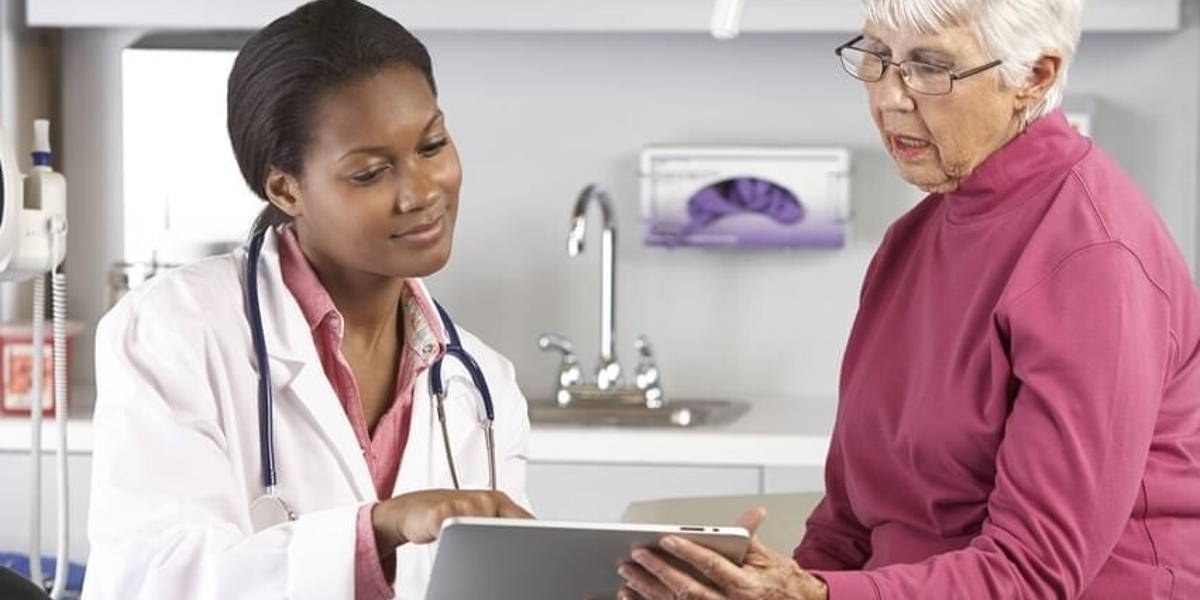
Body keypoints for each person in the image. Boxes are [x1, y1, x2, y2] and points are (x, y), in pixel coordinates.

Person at [618, 0, 1200, 598]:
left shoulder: (1094, 259)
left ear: (1034, 75)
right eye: (877, 56)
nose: (890, 98)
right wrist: (773, 586)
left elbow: (1033, 572)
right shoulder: (912, 240)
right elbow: (848, 525)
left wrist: (813, 596)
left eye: (930, 66)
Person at [82, 1, 533, 598]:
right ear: (285, 188)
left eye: (431, 146)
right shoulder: (174, 331)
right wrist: (377, 530)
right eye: (370, 173)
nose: (421, 193)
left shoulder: (482, 385)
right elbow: (152, 577)